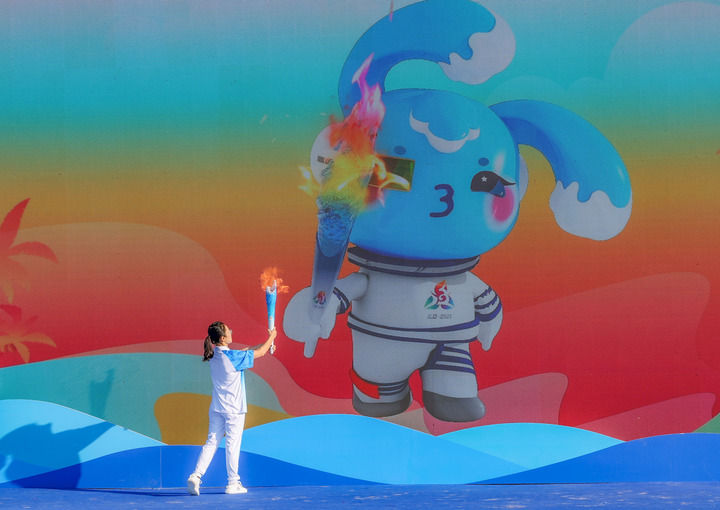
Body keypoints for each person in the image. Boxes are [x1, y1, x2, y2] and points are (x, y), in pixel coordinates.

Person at [187, 321, 277, 496]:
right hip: (234, 409)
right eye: (229, 330)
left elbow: (249, 351)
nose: (231, 331)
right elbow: (259, 353)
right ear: (222, 338)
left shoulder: (215, 355)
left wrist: (267, 343)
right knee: (232, 445)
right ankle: (233, 483)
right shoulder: (233, 357)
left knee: (211, 443)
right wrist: (272, 337)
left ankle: (196, 476)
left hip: (217, 408)